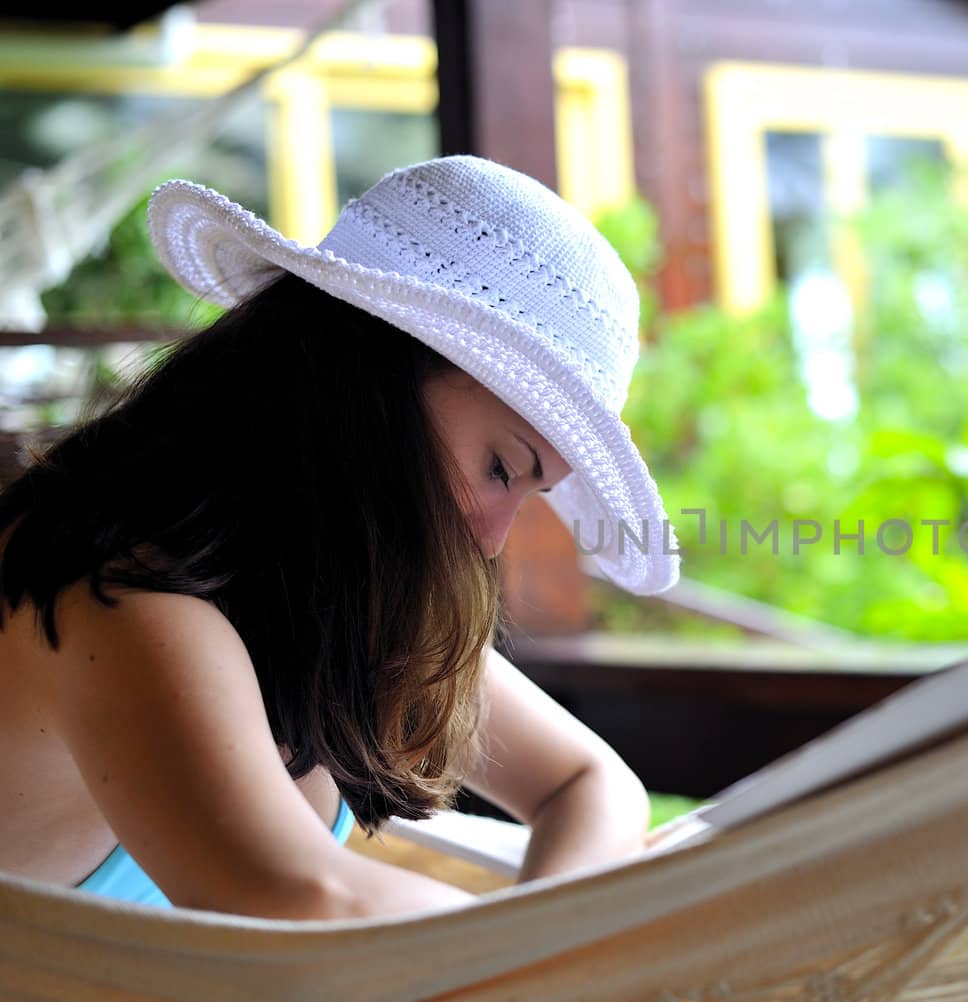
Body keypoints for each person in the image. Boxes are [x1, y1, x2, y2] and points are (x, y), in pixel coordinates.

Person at [0, 155, 681, 918]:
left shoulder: (309, 587)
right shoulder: (120, 596)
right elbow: (309, 897)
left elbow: (592, 781)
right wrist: (555, 965)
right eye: (501, 467)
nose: (491, 541)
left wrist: (546, 942)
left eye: (531, 491)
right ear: (371, 381)